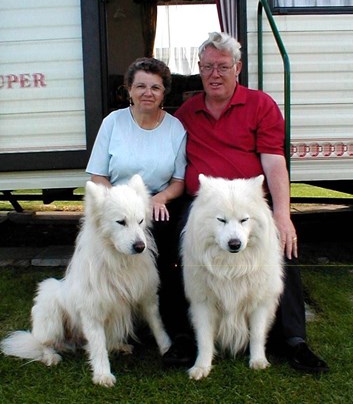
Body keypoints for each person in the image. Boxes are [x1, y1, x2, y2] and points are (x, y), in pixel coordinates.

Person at [163, 32, 329, 373]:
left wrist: (282, 214)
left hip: (249, 202)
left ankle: (294, 340)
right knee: (176, 249)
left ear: (237, 68)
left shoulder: (260, 104)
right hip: (205, 204)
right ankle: (183, 337)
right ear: (199, 68)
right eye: (208, 66)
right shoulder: (186, 112)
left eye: (223, 66)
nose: (215, 74)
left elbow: (273, 162)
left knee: (284, 247)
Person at [86, 57, 188, 339]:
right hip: (117, 204)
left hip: (156, 205)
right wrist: (114, 203)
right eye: (140, 85)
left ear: (164, 93)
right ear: (128, 89)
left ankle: (168, 321)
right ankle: (112, 319)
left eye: (155, 87)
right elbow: (97, 175)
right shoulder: (113, 123)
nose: (148, 92)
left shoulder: (175, 129)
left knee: (167, 252)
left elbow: (179, 181)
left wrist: (160, 199)